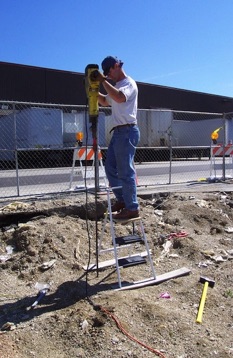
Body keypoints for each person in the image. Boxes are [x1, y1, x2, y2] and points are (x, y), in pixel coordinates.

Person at [92, 56, 140, 221]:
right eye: (104, 74)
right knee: (110, 167)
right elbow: (105, 101)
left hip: (127, 131)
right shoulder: (116, 86)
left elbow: (119, 97)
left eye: (108, 72)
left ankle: (132, 207)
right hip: (118, 133)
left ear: (117, 65)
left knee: (126, 172)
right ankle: (122, 200)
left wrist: (103, 82)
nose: (107, 76)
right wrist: (93, 91)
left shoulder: (128, 84)